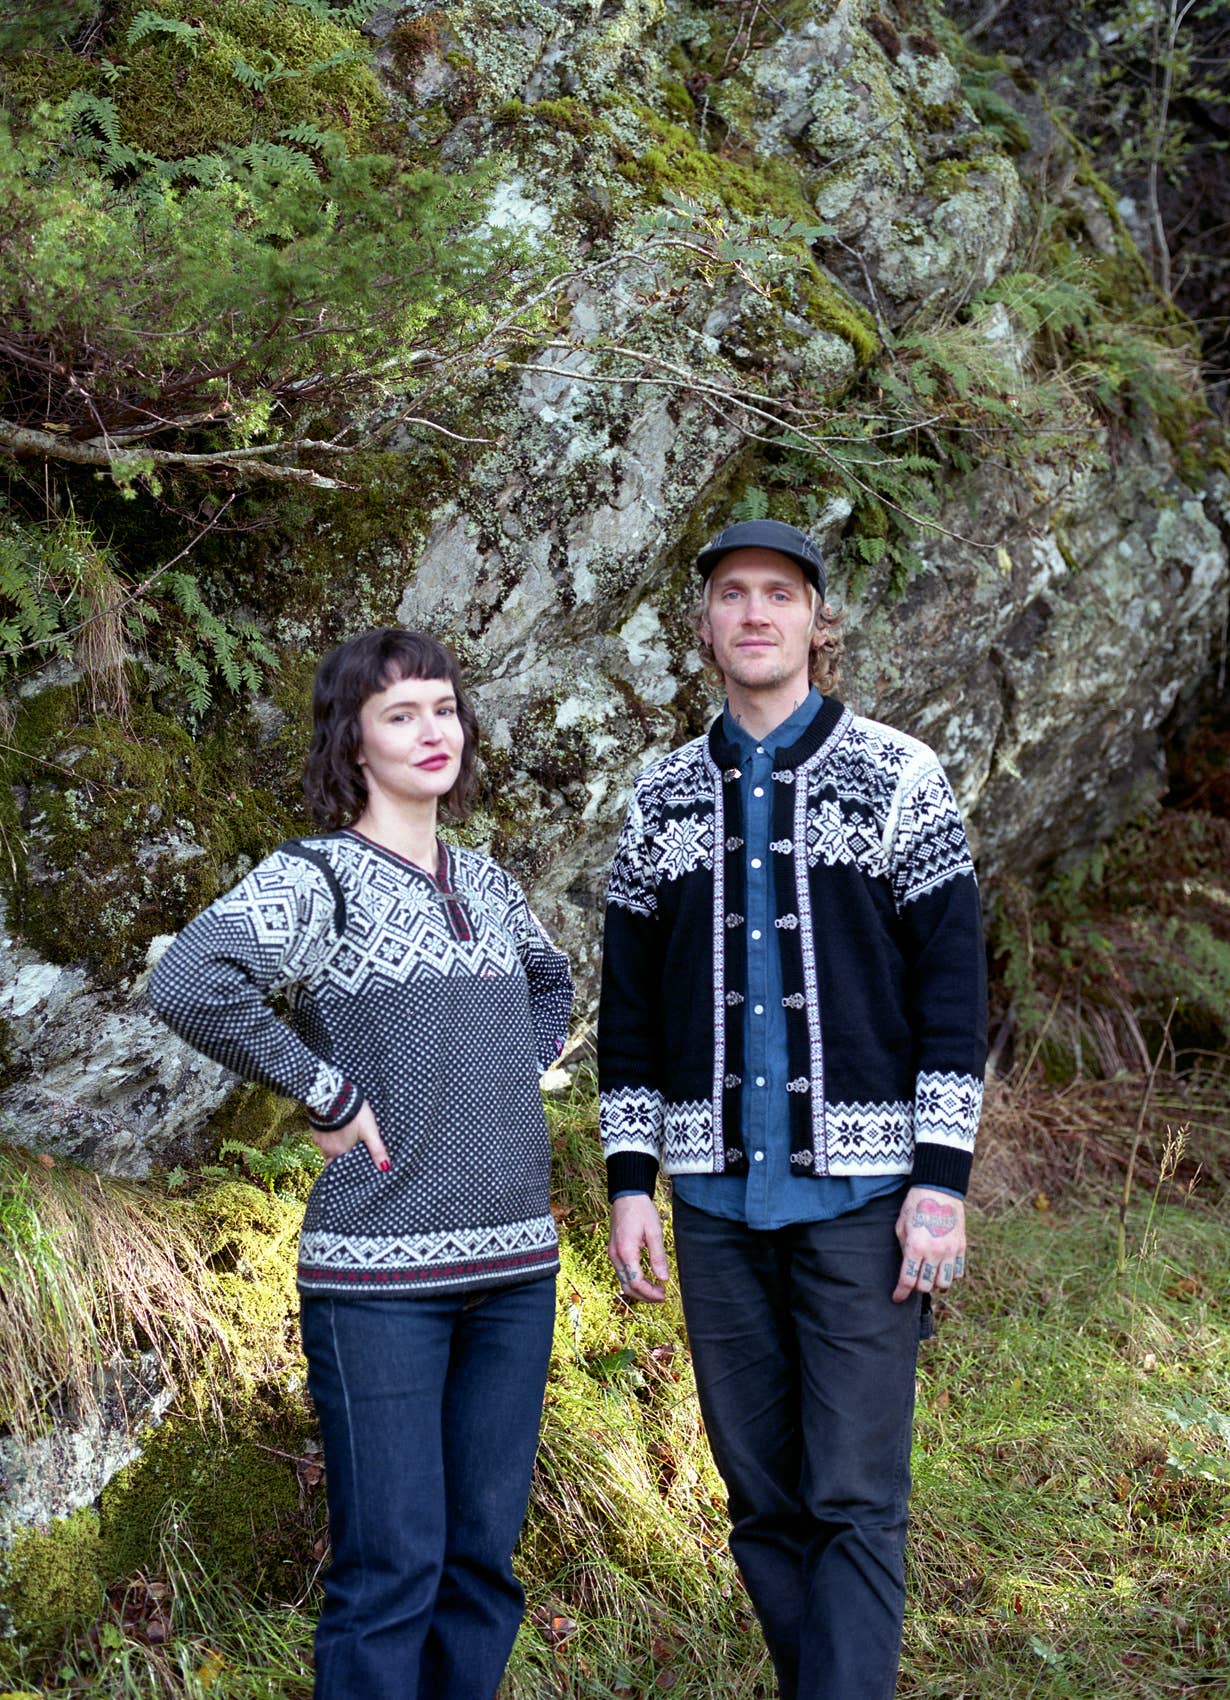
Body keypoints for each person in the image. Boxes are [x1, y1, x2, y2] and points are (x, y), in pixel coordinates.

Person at [597, 519, 986, 1700]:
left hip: (866, 1203)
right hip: (712, 1201)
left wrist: (941, 1180)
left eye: (779, 593)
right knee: (762, 1497)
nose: (755, 613)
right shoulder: (659, 800)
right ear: (704, 624)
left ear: (821, 620)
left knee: (855, 1495)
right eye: (731, 594)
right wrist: (628, 1181)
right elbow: (629, 1013)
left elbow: (954, 993)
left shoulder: (901, 776)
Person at [149, 628, 572, 1700]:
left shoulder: (487, 877)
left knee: (481, 1567)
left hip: (519, 1269)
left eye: (445, 707)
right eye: (401, 713)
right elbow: (193, 978)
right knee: (391, 1569)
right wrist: (325, 1087)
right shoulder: (319, 877)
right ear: (354, 739)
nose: (433, 730)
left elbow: (551, 980)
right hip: (380, 1281)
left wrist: (505, 1074)